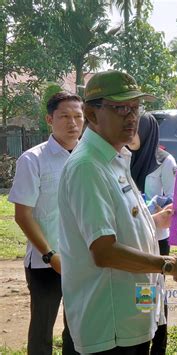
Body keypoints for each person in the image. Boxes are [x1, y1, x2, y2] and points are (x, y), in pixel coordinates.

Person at [57, 70, 177, 354]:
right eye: (120, 108)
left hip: (129, 317)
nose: (131, 117)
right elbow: (104, 251)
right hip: (109, 327)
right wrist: (171, 265)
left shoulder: (115, 159)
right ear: (91, 114)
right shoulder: (88, 166)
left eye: (136, 108)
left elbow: (127, 228)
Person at [8, 92, 84, 355]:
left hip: (82, 260)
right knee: (42, 331)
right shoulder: (32, 160)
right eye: (64, 116)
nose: (72, 123)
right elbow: (23, 215)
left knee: (77, 329)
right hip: (45, 263)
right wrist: (51, 255)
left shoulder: (90, 159)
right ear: (50, 119)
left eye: (78, 116)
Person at [128, 113, 177, 355]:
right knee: (134, 294)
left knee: (151, 296)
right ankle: (136, 340)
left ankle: (157, 346)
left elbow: (174, 202)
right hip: (129, 238)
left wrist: (155, 214)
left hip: (155, 240)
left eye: (136, 129)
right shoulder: (121, 157)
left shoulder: (164, 162)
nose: (130, 132)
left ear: (147, 132)